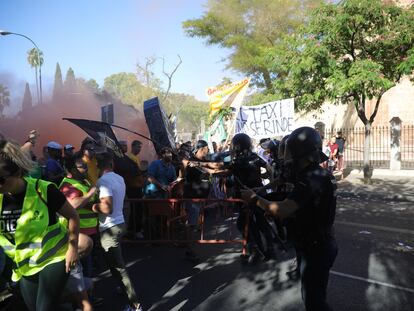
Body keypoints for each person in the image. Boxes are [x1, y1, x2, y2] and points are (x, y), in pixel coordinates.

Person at [242, 126, 338, 311]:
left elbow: (283, 209)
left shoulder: (312, 178)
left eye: (290, 151)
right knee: (312, 296)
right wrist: (261, 192)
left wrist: (255, 199)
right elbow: (284, 182)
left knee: (315, 302)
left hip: (317, 248)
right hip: (314, 244)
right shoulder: (314, 174)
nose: (287, 156)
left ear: (300, 152)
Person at [0, 136, 80, 311]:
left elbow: (73, 216)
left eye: (1, 179)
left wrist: (73, 248)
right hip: (26, 266)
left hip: (55, 258)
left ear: (17, 172)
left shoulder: (44, 189)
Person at [92, 152, 142, 311]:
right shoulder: (119, 178)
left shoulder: (103, 181)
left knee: (119, 268)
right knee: (114, 264)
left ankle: (135, 305)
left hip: (110, 228)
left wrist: (92, 206)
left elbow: (107, 207)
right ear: (112, 165)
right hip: (120, 224)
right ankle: (123, 288)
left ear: (98, 167)